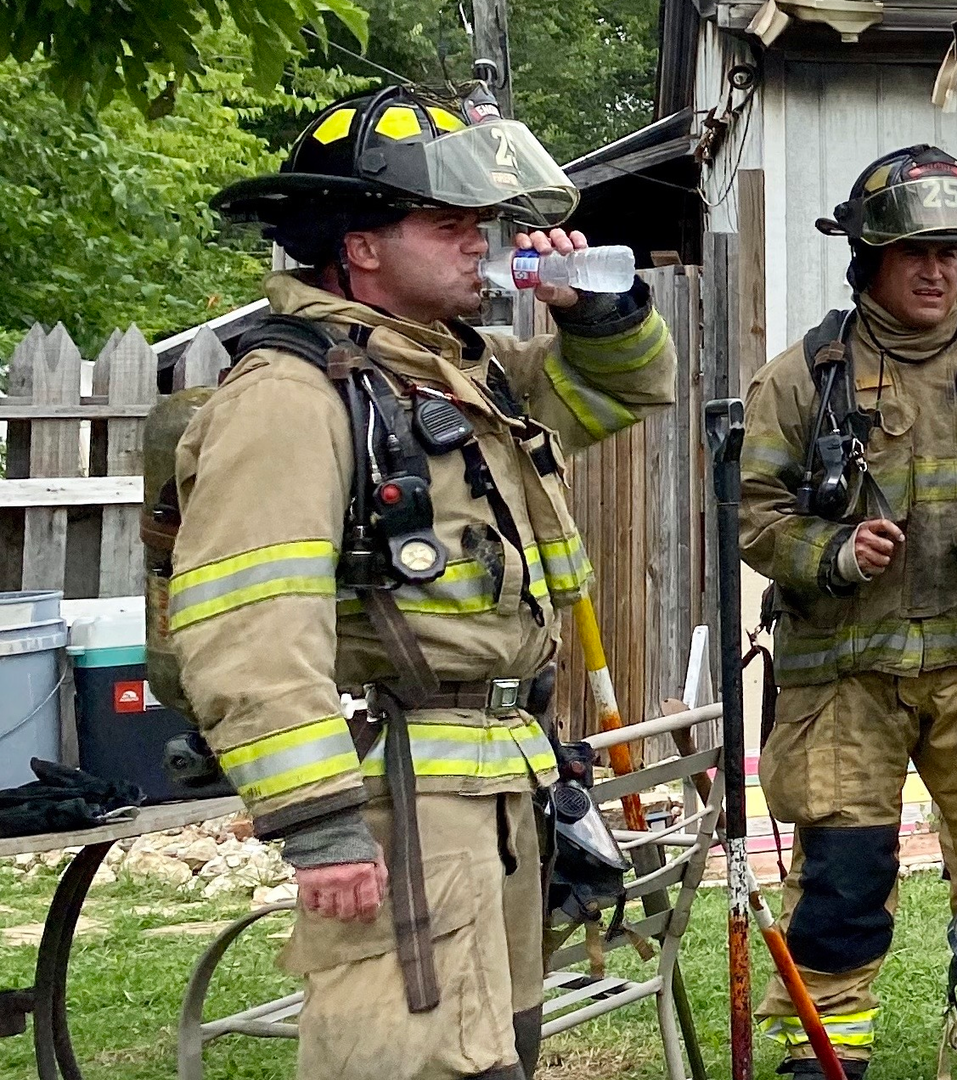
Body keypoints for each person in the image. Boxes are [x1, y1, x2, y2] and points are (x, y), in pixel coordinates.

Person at [177, 84, 676, 1080]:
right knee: (416, 1062)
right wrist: (320, 825)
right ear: (360, 246)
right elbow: (248, 629)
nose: (478, 245)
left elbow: (626, 384)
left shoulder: (453, 373)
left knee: (495, 1055)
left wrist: (598, 307)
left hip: (495, 787)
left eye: (482, 222)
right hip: (399, 805)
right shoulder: (289, 396)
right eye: (449, 224)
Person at [740, 144, 957, 1077]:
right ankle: (824, 1051)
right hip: (847, 677)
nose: (939, 272)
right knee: (843, 875)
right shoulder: (803, 379)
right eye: (917, 253)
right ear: (870, 260)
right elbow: (755, 515)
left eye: (953, 253)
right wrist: (835, 553)